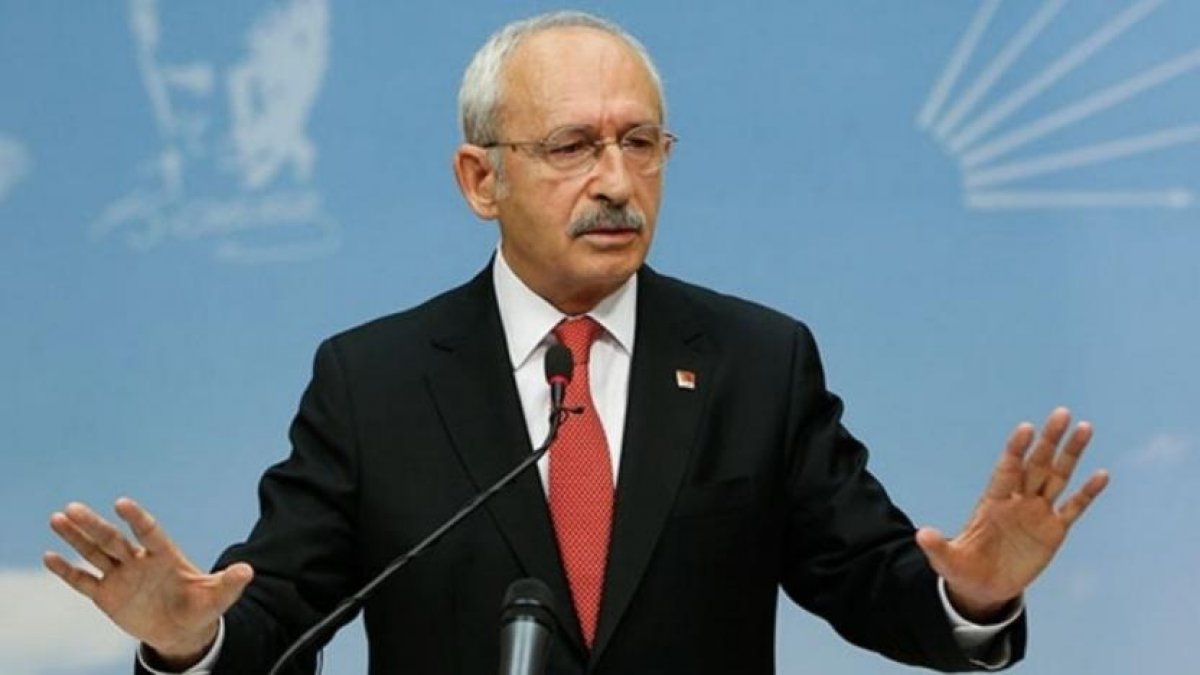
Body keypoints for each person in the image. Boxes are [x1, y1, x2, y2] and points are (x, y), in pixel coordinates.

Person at [44, 11, 1109, 675]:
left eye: (641, 143)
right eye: (572, 146)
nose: (616, 180)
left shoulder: (756, 362)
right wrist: (188, 638)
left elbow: (870, 579)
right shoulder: (373, 382)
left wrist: (974, 593)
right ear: (481, 180)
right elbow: (277, 614)